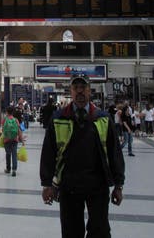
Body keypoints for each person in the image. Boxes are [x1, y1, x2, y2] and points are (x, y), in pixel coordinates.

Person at [40, 74, 125, 238]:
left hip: (97, 185)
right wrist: (46, 184)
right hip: (69, 185)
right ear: (70, 91)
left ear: (89, 90)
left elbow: (114, 152)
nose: (79, 91)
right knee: (71, 232)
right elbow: (48, 152)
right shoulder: (59, 118)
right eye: (75, 88)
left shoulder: (103, 119)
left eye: (83, 88)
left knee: (100, 230)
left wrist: (119, 185)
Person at [2, 105, 23, 176]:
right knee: (14, 154)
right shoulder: (16, 120)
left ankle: (8, 169)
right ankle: (14, 169)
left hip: (6, 140)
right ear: (13, 112)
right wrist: (22, 140)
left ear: (7, 112)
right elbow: (19, 130)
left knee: (8, 154)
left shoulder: (5, 119)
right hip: (15, 139)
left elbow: (3, 130)